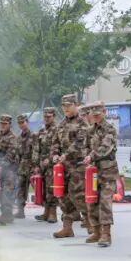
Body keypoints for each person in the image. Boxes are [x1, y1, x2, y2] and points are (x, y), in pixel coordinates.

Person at [51, 94, 90, 239]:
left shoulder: (83, 124)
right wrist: (55, 154)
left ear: (76, 105)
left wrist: (65, 155)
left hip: (78, 165)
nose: (66, 108)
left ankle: (92, 223)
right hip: (63, 167)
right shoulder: (61, 125)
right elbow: (55, 142)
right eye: (64, 106)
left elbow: (80, 143)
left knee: (78, 195)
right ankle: (67, 228)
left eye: (69, 105)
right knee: (63, 196)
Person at [83, 101, 119, 247]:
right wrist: (87, 157)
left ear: (104, 112)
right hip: (93, 171)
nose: (96, 117)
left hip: (107, 171)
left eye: (98, 114)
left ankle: (106, 234)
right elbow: (85, 147)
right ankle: (96, 231)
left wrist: (91, 156)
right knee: (92, 201)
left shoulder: (110, 129)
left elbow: (105, 148)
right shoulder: (90, 130)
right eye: (94, 115)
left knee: (104, 202)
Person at [0, 115, 19, 225]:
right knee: (0, 192)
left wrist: (1, 165)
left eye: (5, 124)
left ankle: (6, 215)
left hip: (10, 169)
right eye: (1, 123)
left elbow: (11, 155)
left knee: (7, 192)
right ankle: (7, 215)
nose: (2, 125)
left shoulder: (13, 138)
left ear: (10, 125)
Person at [33, 107, 60, 223]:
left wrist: (50, 159)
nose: (46, 119)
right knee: (43, 188)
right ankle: (46, 212)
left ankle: (53, 213)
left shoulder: (58, 130)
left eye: (49, 117)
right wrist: (36, 164)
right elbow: (36, 148)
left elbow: (59, 148)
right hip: (42, 165)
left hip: (52, 165)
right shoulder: (42, 131)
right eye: (45, 117)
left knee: (51, 188)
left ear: (54, 116)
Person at [14, 115, 35, 218]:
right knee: (20, 188)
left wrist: (35, 165)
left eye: (23, 122)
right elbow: (17, 153)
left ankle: (48, 212)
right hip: (21, 167)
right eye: (19, 123)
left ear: (27, 122)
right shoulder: (18, 138)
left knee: (39, 188)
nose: (21, 125)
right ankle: (20, 211)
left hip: (32, 165)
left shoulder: (34, 136)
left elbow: (36, 151)